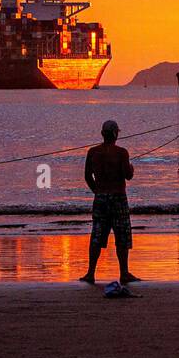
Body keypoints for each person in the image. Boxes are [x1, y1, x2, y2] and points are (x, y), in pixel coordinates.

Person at [79, 119, 138, 284]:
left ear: (102, 134)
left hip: (100, 198)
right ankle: (124, 273)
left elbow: (87, 176)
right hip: (118, 198)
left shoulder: (93, 152)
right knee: (122, 235)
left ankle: (91, 273)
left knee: (97, 235)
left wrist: (97, 192)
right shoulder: (121, 153)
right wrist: (131, 168)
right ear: (115, 134)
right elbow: (128, 175)